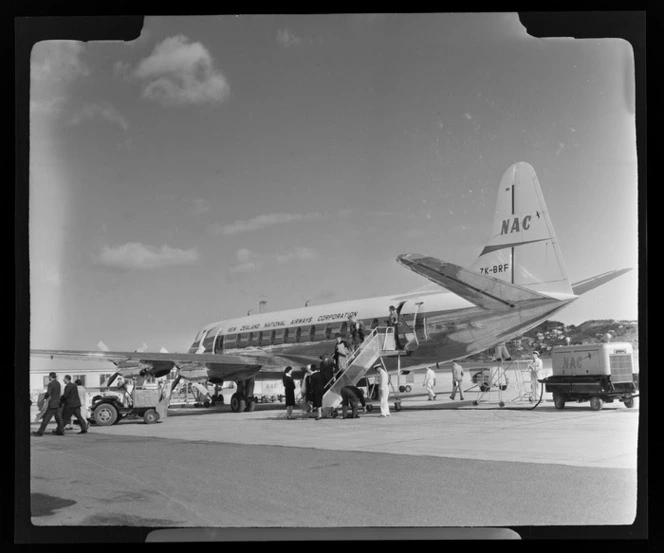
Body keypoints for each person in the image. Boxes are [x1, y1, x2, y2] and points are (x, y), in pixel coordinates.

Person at [32, 372, 65, 436]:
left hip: (52, 404)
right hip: (58, 404)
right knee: (59, 419)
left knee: (46, 419)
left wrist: (43, 397)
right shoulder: (58, 383)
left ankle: (40, 432)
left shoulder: (51, 384)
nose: (48, 378)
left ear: (50, 376)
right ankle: (61, 431)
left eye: (49, 377)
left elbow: (49, 393)